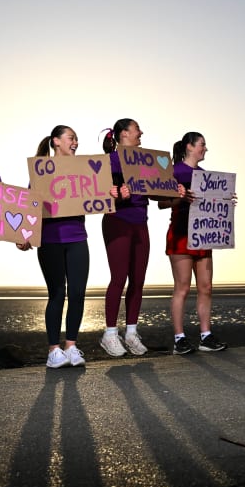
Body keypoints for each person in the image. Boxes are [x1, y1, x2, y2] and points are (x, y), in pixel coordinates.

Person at [24, 125, 89, 368]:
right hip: (50, 241)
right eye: (71, 138)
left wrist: (113, 191)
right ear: (56, 142)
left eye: (76, 139)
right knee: (57, 294)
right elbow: (31, 206)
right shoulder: (41, 172)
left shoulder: (85, 170)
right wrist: (27, 235)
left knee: (78, 293)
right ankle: (53, 351)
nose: (75, 142)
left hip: (78, 238)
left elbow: (99, 195)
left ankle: (71, 346)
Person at [157, 132, 227, 354]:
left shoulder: (207, 176)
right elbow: (161, 202)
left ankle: (206, 336)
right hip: (181, 235)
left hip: (204, 235)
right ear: (189, 146)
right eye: (202, 145)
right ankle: (180, 338)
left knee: (206, 287)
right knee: (183, 287)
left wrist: (226, 200)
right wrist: (180, 197)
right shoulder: (175, 171)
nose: (205, 149)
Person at [98, 119, 150, 357]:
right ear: (123, 134)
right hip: (118, 221)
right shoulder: (108, 162)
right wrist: (117, 194)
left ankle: (131, 333)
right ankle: (109, 334)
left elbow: (160, 192)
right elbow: (96, 194)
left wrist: (176, 191)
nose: (141, 132)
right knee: (118, 278)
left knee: (138, 279)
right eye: (137, 128)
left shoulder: (145, 162)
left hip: (141, 223)